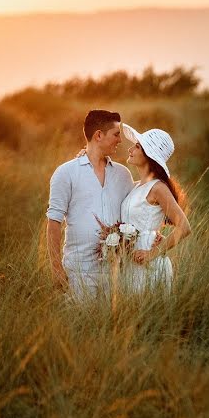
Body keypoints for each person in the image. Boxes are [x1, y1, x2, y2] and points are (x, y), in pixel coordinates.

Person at [46, 110, 134, 301]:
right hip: (78, 273)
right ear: (99, 135)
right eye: (116, 134)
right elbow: (53, 222)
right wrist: (56, 269)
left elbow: (135, 210)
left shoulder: (123, 175)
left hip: (116, 274)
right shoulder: (66, 173)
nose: (120, 140)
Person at [118, 123, 192, 295]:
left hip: (148, 260)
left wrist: (152, 253)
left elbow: (185, 227)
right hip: (130, 260)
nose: (130, 149)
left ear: (149, 155)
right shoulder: (135, 187)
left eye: (136, 146)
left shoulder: (158, 188)